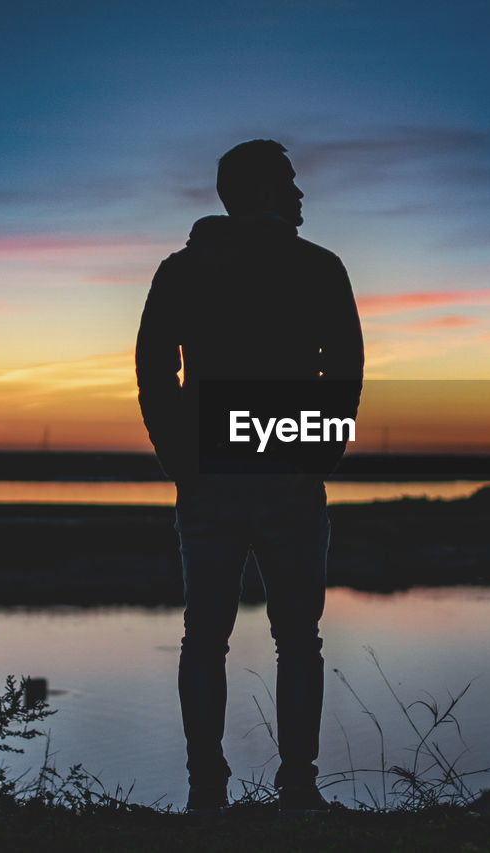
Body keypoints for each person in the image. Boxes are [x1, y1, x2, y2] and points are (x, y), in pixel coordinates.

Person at [135, 139, 363, 813]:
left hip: (231, 470)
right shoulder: (317, 267)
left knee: (208, 636)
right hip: (275, 471)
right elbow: (344, 370)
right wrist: (316, 454)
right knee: (292, 638)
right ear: (261, 192)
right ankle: (291, 789)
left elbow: (155, 372)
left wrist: (182, 455)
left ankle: (212, 792)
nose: (300, 196)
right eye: (290, 183)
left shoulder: (183, 270)